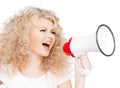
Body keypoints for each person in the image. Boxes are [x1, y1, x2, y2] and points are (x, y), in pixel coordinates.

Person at [0, 6, 92, 88]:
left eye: (53, 32)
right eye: (43, 30)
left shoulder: (58, 73)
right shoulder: (6, 70)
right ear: (25, 35)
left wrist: (80, 78)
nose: (51, 36)